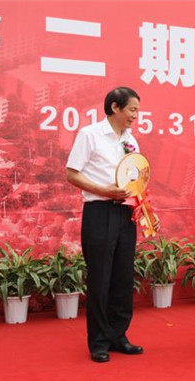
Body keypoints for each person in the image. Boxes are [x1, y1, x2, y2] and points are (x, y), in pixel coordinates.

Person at [66, 87, 150, 362]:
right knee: (100, 278)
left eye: (137, 111)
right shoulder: (90, 134)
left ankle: (118, 335)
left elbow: (135, 176)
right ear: (115, 107)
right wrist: (104, 191)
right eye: (132, 110)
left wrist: (141, 202)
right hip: (99, 211)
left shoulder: (130, 140)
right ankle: (99, 341)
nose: (135, 116)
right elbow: (72, 174)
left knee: (122, 277)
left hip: (126, 212)